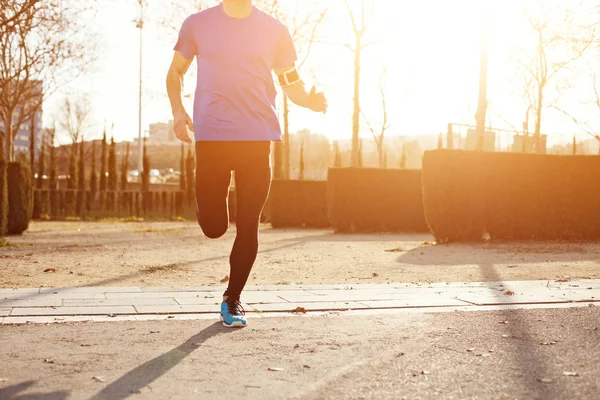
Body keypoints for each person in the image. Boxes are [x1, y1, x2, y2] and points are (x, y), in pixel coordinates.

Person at [166, 0, 328, 328]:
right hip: (212, 135)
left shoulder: (275, 31)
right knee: (214, 228)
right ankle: (211, 210)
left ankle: (233, 298)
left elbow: (290, 81)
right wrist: (178, 111)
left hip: (257, 135)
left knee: (249, 222)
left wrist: (309, 101)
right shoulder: (197, 24)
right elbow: (175, 72)